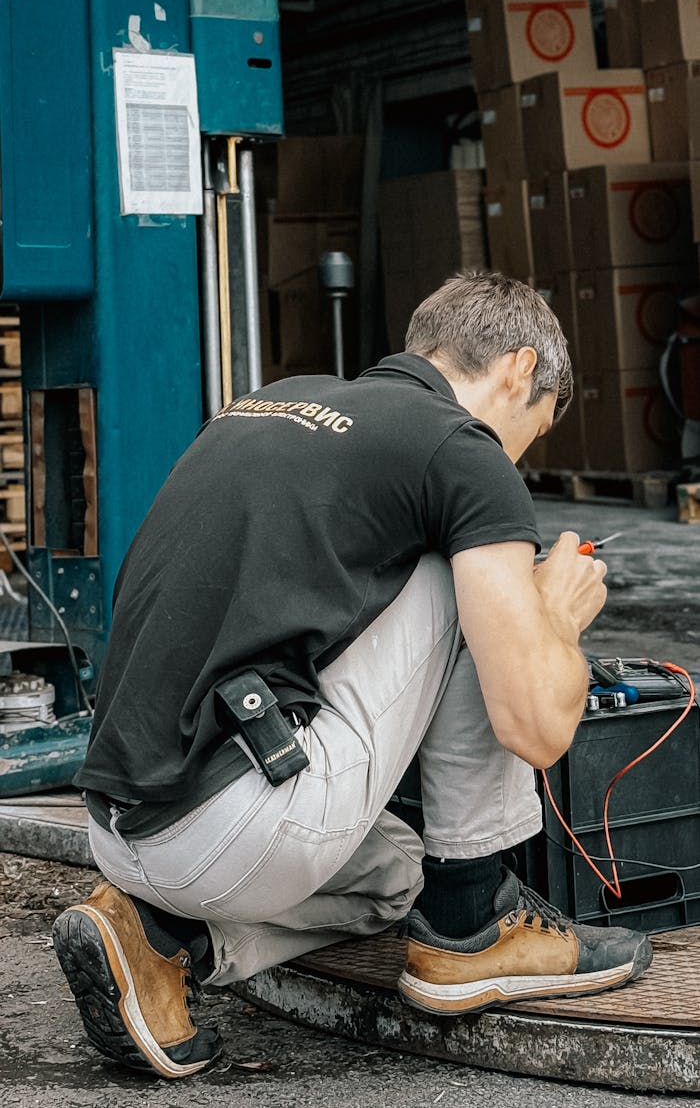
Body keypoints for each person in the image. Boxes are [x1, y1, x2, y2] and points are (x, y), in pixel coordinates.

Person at [53, 271, 652, 1080]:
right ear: (517, 369)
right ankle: (472, 927)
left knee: (398, 878)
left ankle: (162, 937)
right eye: (532, 431)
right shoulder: (459, 451)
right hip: (238, 827)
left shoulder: (271, 402)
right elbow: (535, 728)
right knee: (472, 572)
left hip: (121, 826)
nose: (517, 456)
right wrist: (551, 613)